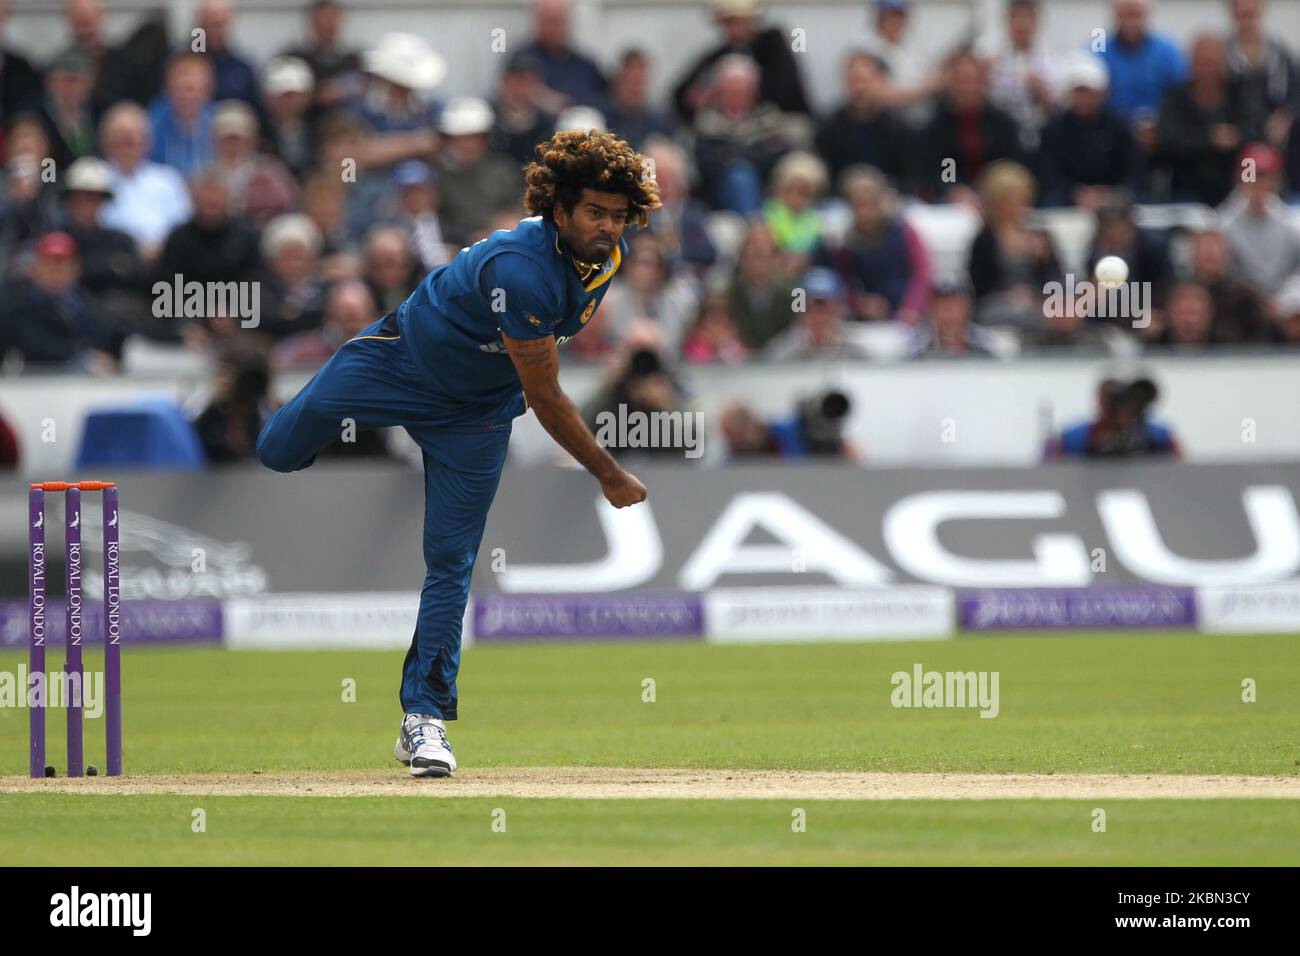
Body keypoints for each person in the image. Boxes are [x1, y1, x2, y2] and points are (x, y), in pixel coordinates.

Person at [255, 130, 657, 777]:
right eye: (594, 213)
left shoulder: (608, 258)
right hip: (399, 361)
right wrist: (608, 473)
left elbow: (538, 374)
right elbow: (548, 396)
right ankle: (322, 421)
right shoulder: (523, 272)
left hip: (474, 416)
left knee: (450, 562)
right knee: (276, 450)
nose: (609, 227)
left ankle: (424, 720)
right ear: (560, 211)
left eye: (618, 215)